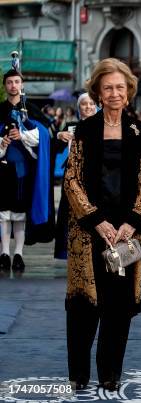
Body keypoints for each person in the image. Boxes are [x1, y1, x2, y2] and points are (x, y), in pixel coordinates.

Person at [63, 58, 141, 391]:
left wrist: (131, 223)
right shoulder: (84, 130)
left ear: (129, 92)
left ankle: (111, 373)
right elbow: (71, 179)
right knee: (84, 306)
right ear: (98, 93)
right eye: (108, 88)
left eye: (120, 87)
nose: (114, 94)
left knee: (119, 306)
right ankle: (79, 375)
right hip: (90, 233)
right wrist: (97, 221)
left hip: (126, 235)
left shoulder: (139, 132)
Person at [0, 68, 51, 277]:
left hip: (23, 170)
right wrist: (2, 142)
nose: (13, 85)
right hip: (2, 167)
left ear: (22, 86)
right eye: (10, 82)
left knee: (19, 213)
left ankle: (18, 254)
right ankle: (4, 253)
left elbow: (44, 137)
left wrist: (22, 135)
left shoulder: (31, 110)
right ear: (5, 86)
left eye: (16, 82)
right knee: (3, 213)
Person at [54, 93, 98, 259]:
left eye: (91, 104)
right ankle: (74, 250)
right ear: (79, 108)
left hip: (96, 178)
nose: (88, 107)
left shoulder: (105, 126)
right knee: (73, 215)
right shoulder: (72, 126)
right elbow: (55, 146)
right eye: (84, 104)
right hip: (74, 179)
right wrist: (59, 135)